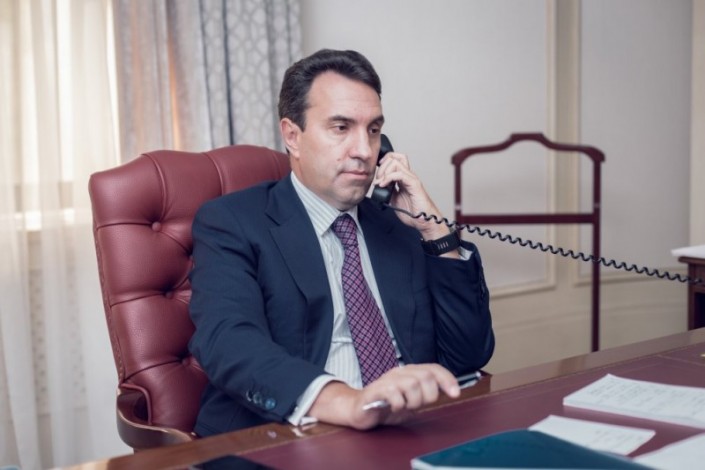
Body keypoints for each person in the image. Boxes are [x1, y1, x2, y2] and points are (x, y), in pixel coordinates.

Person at [188, 48, 494, 437]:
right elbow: (228, 342)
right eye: (340, 127)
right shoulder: (232, 222)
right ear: (292, 136)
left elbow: (468, 357)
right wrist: (348, 402)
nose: (364, 151)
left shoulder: (399, 223)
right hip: (293, 434)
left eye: (373, 130)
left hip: (409, 431)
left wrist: (435, 232)